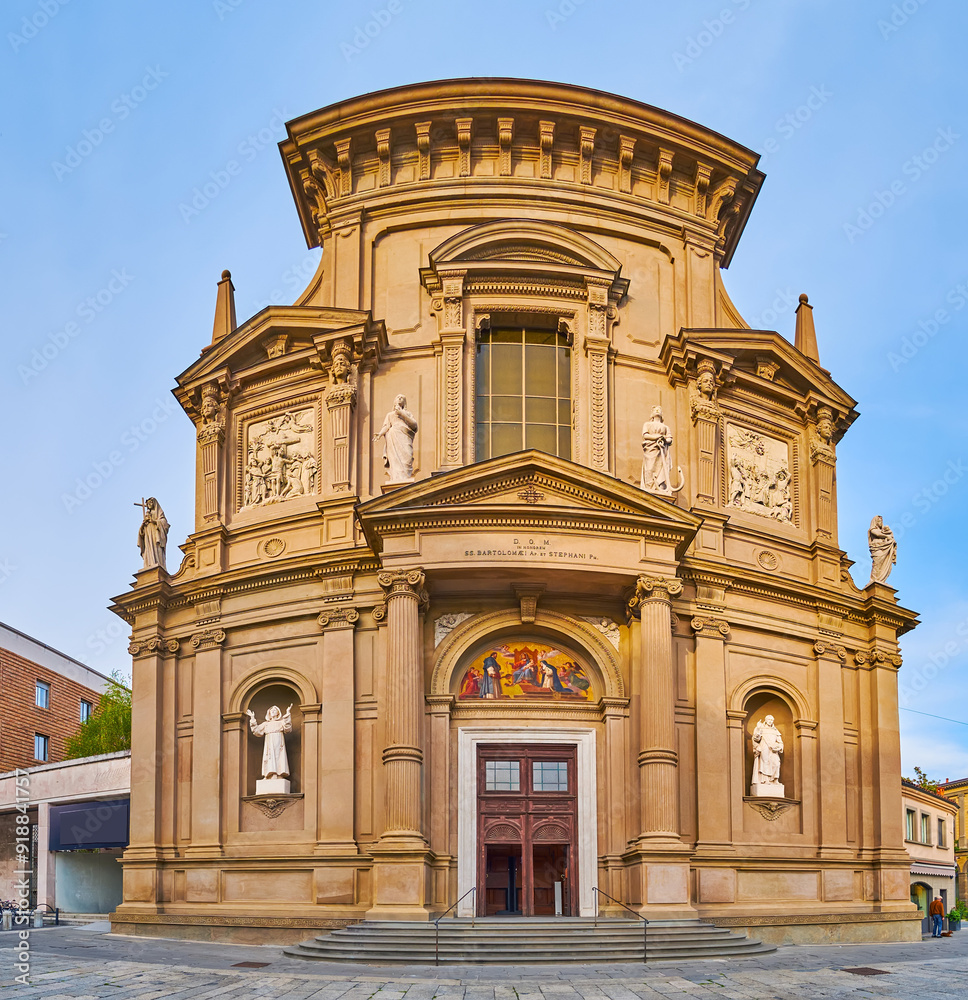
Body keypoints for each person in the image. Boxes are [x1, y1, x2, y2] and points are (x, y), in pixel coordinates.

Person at [374, 393, 418, 481]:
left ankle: (405, 477)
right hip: (393, 437)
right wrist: (380, 434)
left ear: (405, 402)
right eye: (398, 397)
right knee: (394, 459)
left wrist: (402, 413)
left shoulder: (408, 414)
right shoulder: (390, 415)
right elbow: (386, 426)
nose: (400, 398)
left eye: (402, 398)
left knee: (407, 458)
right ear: (394, 402)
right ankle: (396, 478)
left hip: (405, 438)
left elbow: (414, 425)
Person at [246, 704, 293, 779]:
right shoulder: (266, 724)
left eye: (275, 710)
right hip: (269, 742)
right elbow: (256, 730)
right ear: (269, 713)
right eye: (271, 710)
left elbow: (288, 728)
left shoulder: (281, 722)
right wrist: (252, 717)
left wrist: (287, 713)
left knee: (278, 756)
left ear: (278, 712)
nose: (273, 711)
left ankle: (279, 774)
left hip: (278, 742)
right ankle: (269, 774)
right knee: (269, 757)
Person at [640, 405, 674, 494]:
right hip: (650, 448)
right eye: (656, 410)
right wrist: (657, 437)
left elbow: (670, 439)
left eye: (659, 410)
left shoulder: (665, 427)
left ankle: (659, 485)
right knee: (649, 467)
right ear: (652, 413)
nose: (658, 411)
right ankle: (649, 485)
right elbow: (645, 435)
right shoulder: (647, 424)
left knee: (662, 467)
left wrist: (664, 440)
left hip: (662, 449)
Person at [137, 497, 169, 572]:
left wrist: (153, 521)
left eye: (150, 502)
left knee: (156, 548)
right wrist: (143, 525)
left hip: (156, 534)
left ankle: (158, 563)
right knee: (148, 550)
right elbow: (141, 533)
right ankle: (149, 564)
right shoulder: (147, 515)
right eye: (147, 503)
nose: (149, 504)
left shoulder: (158, 513)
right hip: (148, 535)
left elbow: (164, 524)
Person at [751, 715, 783, 787]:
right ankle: (765, 780)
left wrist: (779, 747)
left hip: (773, 749)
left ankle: (775, 779)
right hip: (764, 747)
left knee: (776, 763)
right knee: (765, 762)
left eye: (772, 720)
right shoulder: (760, 728)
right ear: (765, 720)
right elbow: (756, 739)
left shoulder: (775, 731)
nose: (770, 721)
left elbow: (780, 742)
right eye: (769, 719)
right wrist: (758, 729)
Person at [867, 515, 897, 585]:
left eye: (881, 521)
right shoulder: (873, 529)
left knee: (885, 564)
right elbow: (877, 534)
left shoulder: (883, 531)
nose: (881, 522)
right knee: (877, 564)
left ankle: (881, 580)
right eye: (879, 521)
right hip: (877, 548)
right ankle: (874, 579)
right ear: (875, 522)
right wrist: (886, 536)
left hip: (884, 548)